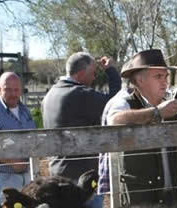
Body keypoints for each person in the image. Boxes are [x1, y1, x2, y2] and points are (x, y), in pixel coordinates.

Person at [97, 49, 177, 208]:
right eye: (158, 77)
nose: (164, 82)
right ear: (140, 80)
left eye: (165, 76)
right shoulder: (124, 102)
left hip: (173, 196)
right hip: (140, 199)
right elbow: (115, 121)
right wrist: (157, 112)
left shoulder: (171, 104)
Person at [42, 51, 121, 185]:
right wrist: (111, 70)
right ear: (82, 73)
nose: (94, 77)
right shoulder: (80, 94)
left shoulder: (50, 94)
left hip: (57, 170)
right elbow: (114, 102)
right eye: (93, 73)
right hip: (81, 176)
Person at [0, 72, 36, 208]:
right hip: (4, 177)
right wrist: (12, 161)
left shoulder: (24, 111)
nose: (13, 94)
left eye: (16, 89)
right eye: (8, 89)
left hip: (27, 176)